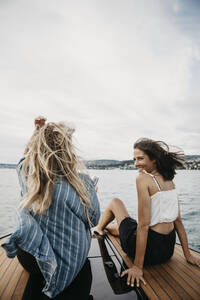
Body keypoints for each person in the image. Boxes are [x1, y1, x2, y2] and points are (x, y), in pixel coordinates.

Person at [2, 116, 100, 300]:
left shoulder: (28, 176)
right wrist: (91, 194)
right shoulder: (83, 184)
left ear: (39, 148)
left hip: (33, 260)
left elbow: (25, 156)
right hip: (73, 261)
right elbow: (94, 220)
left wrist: (37, 131)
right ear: (68, 150)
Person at [93, 138, 200, 287]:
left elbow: (143, 225)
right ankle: (110, 228)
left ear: (154, 159)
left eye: (140, 158)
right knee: (127, 227)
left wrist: (137, 267)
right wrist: (188, 255)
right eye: (134, 159)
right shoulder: (170, 180)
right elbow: (178, 222)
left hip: (150, 250)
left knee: (115, 203)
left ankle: (98, 228)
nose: (136, 163)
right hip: (167, 249)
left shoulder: (142, 179)